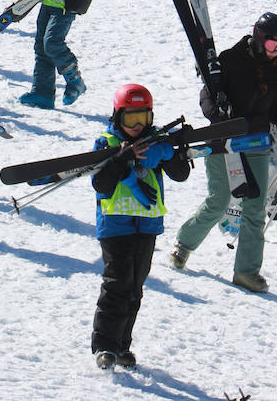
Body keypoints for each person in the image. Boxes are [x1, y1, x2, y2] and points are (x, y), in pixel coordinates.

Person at [169, 12, 277, 292]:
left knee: (255, 208)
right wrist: (215, 114)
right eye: (273, 45)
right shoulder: (229, 60)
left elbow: (271, 110)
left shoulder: (276, 69)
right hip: (223, 141)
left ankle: (246, 272)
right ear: (259, 37)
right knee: (219, 200)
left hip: (255, 144)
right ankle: (184, 244)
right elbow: (207, 95)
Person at [91, 83, 191, 372]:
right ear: (117, 116)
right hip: (115, 225)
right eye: (130, 119)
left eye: (143, 119)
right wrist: (120, 161)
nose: (136, 126)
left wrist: (173, 151)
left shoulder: (155, 144)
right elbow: (101, 184)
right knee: (117, 284)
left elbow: (181, 175)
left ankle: (122, 345)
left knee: (135, 287)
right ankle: (105, 346)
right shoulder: (107, 143)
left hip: (147, 226)